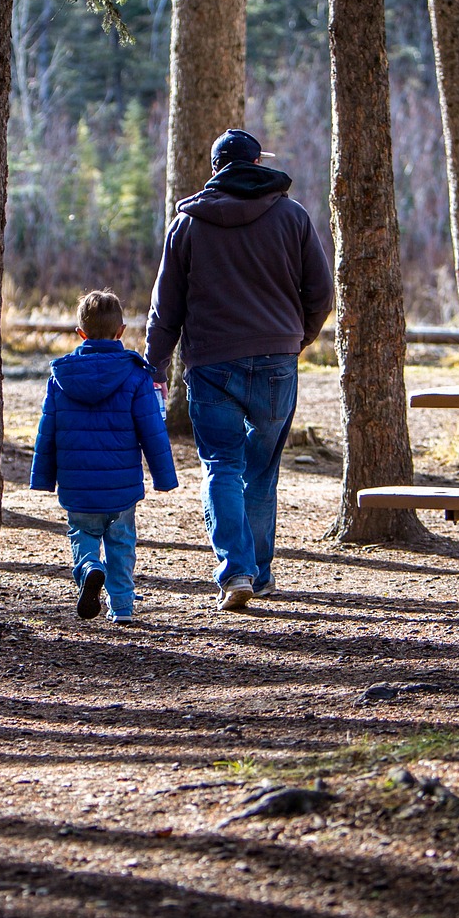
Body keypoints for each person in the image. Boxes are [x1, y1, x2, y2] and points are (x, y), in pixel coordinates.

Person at [145, 129, 334, 612]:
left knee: (222, 467)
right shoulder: (291, 216)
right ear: (255, 163)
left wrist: (156, 365)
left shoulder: (187, 225)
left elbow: (165, 308)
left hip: (210, 365)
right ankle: (261, 573)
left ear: (216, 169)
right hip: (276, 361)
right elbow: (321, 293)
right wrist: (296, 339)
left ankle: (237, 573)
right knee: (261, 472)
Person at [30, 290, 178, 624]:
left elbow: (47, 428)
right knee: (121, 541)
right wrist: (164, 476)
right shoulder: (137, 376)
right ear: (121, 331)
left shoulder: (61, 378)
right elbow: (151, 429)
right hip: (121, 484)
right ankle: (122, 607)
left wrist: (42, 478)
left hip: (77, 482)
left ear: (80, 333)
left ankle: (88, 568)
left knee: (82, 533)